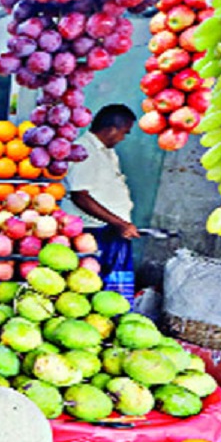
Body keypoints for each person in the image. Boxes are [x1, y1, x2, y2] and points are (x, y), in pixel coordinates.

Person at [63, 104, 139, 300]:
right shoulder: (85, 151)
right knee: (92, 285)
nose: (123, 138)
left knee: (112, 291)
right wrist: (120, 223)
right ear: (112, 129)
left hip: (111, 229)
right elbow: (79, 195)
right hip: (95, 231)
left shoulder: (107, 152)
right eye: (124, 133)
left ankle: (110, 324)